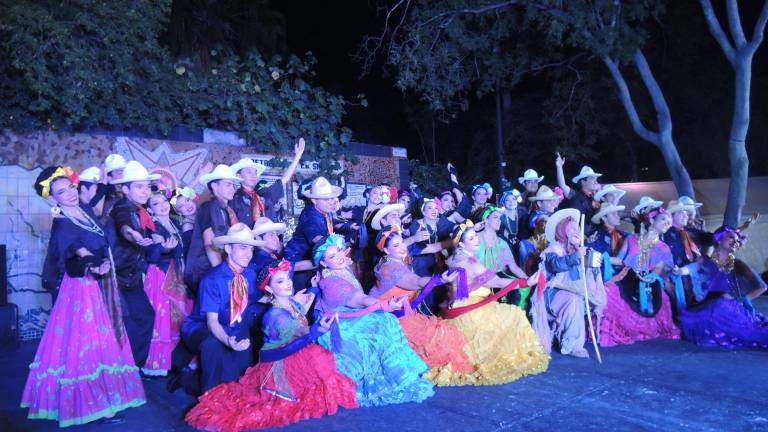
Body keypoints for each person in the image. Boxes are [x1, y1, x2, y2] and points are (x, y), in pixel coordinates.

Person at [22, 166, 145, 427]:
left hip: (101, 282)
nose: (69, 194)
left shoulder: (85, 210)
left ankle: (104, 400)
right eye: (61, 192)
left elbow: (100, 202)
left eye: (71, 188)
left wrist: (105, 176)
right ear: (52, 198)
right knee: (89, 342)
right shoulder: (62, 221)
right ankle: (96, 404)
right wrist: (93, 263)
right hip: (83, 289)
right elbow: (76, 248)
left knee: (104, 337)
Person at [185, 260, 358, 431]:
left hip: (295, 351)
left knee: (323, 356)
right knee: (318, 356)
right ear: (269, 289)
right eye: (280, 281)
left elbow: (301, 311)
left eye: (288, 279)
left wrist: (313, 290)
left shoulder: (289, 303)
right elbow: (294, 341)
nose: (288, 283)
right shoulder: (274, 315)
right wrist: (316, 331)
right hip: (280, 361)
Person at [313, 235, 435, 406]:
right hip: (338, 327)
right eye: (332, 256)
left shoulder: (342, 269)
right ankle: (383, 376)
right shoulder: (331, 282)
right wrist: (384, 304)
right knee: (381, 323)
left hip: (351, 316)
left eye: (339, 251)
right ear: (324, 264)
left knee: (385, 320)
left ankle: (396, 372)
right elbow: (359, 300)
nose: (340, 256)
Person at [434, 222, 549, 386]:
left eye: (475, 236)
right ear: (461, 244)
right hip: (470, 312)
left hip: (455, 311)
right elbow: (496, 281)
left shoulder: (452, 258)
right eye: (472, 238)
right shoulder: (471, 263)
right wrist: (525, 282)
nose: (477, 241)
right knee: (514, 314)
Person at [369, 227, 473, 379]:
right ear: (386, 251)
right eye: (396, 245)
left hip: (402, 313)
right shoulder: (390, 267)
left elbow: (433, 249)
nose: (402, 247)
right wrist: (440, 280)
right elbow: (415, 282)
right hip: (389, 318)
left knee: (438, 338)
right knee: (433, 342)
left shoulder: (398, 258)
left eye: (402, 243)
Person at [180, 223, 267, 394]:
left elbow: (258, 297)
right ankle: (202, 392)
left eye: (250, 249)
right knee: (213, 346)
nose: (248, 254)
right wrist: (228, 340)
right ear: (228, 248)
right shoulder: (212, 279)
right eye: (242, 248)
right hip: (204, 328)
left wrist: (287, 300)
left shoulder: (249, 274)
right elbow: (211, 321)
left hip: (235, 325)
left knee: (241, 378)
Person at [599, 208, 681, 346]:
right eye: (663, 219)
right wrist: (603, 257)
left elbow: (659, 268)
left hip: (649, 281)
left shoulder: (664, 247)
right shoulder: (631, 238)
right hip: (628, 276)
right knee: (611, 293)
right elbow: (621, 260)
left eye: (669, 221)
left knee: (661, 299)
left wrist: (652, 276)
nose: (667, 223)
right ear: (651, 220)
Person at [531, 209, 607, 358]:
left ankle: (574, 342)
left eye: (578, 228)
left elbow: (587, 276)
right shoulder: (553, 249)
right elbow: (556, 265)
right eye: (572, 229)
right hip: (550, 295)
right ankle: (572, 343)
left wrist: (593, 264)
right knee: (573, 300)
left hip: (575, 292)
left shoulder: (581, 250)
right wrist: (576, 256)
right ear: (562, 231)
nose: (576, 231)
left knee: (580, 298)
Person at [677, 226, 768, 349]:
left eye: (737, 240)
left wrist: (741, 299)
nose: (735, 242)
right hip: (706, 306)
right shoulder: (704, 260)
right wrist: (679, 271)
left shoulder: (737, 264)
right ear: (719, 240)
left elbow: (762, 286)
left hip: (728, 307)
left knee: (724, 308)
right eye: (731, 237)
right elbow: (690, 270)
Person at [109, 161, 160, 369]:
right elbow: (125, 227)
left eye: (147, 186)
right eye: (139, 187)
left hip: (131, 277)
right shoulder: (122, 207)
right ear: (125, 189)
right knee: (126, 322)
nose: (145, 191)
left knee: (145, 316)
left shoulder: (141, 210)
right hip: (116, 277)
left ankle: (133, 367)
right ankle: (122, 368)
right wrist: (134, 236)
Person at [141, 190, 193, 376]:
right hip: (162, 275)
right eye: (156, 203)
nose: (162, 205)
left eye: (164, 201)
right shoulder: (153, 226)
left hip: (179, 273)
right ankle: (160, 363)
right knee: (164, 317)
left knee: (181, 315)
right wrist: (164, 247)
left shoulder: (176, 222)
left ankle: (179, 360)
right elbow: (157, 248)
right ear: (149, 209)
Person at [184, 164, 243, 292]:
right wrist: (221, 273)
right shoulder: (208, 207)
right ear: (215, 186)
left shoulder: (227, 210)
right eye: (228, 184)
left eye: (233, 185)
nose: (232, 188)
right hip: (204, 271)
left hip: (213, 269)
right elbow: (209, 242)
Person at [230, 138, 305, 227]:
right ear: (239, 176)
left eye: (255, 172)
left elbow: (284, 179)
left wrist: (297, 157)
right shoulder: (234, 199)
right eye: (249, 172)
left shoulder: (264, 193)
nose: (253, 175)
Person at [476, 207, 530, 307]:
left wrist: (529, 280)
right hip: (479, 279)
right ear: (486, 220)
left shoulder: (502, 242)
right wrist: (474, 230)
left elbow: (513, 267)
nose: (499, 221)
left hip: (498, 277)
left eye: (500, 218)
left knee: (519, 288)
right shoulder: (475, 238)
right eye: (495, 217)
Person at [555, 153, 602, 233]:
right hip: (575, 237)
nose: (595, 181)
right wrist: (559, 167)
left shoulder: (595, 199)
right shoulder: (575, 194)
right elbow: (562, 185)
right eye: (592, 178)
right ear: (583, 181)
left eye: (596, 179)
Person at [170, 186, 198, 258]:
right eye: (181, 206)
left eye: (187, 200)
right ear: (179, 213)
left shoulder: (202, 209)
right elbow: (194, 251)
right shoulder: (187, 227)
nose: (187, 205)